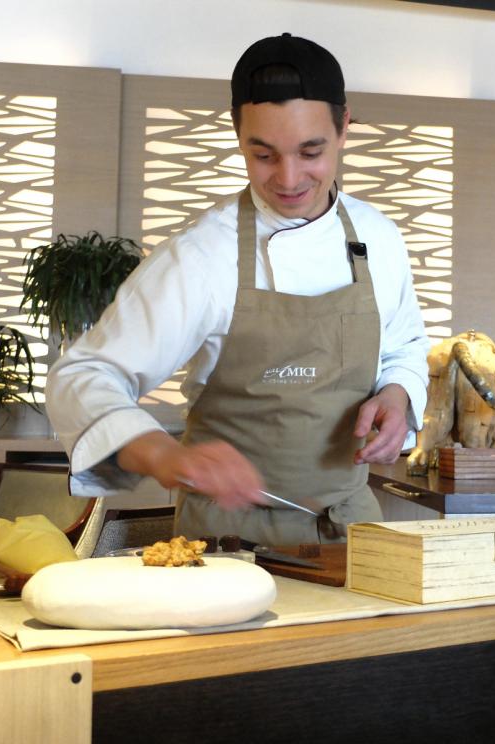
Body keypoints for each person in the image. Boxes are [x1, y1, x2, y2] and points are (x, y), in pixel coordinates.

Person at [46, 33, 430, 545]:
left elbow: (405, 347)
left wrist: (398, 396)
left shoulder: (379, 238)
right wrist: (164, 454)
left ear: (344, 128)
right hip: (229, 542)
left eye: (310, 151)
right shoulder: (203, 254)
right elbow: (82, 376)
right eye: (263, 155)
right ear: (238, 135)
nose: (289, 178)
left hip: (352, 528)